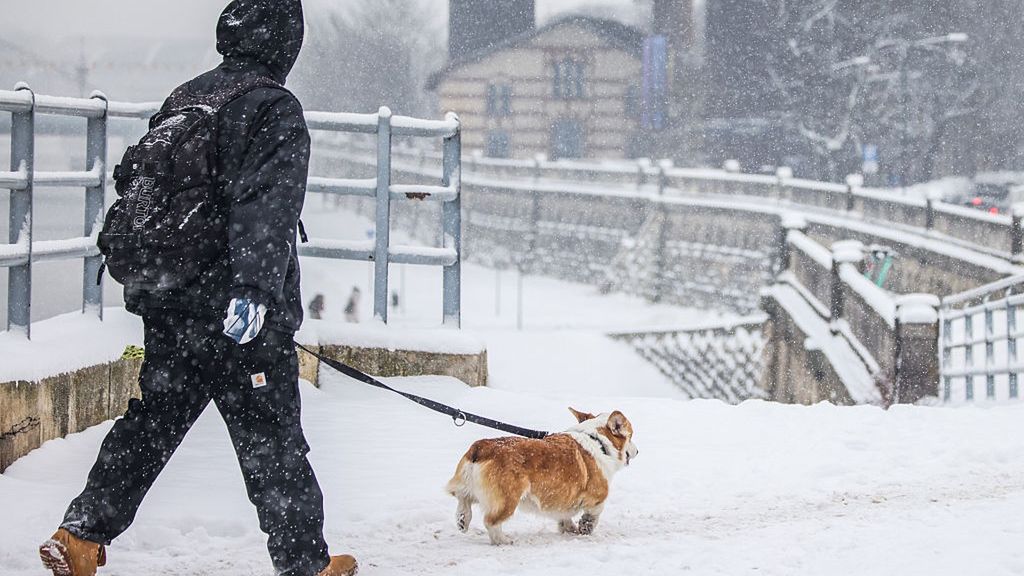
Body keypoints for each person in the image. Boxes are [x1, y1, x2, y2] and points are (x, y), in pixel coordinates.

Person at [38, 2, 357, 575]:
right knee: (272, 439)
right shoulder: (273, 108)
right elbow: (266, 207)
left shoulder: (187, 97)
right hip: (236, 310)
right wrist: (254, 291)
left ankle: (80, 534)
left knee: (153, 422)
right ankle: (305, 565)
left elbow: (148, 196)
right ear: (286, 42)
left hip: (171, 298)